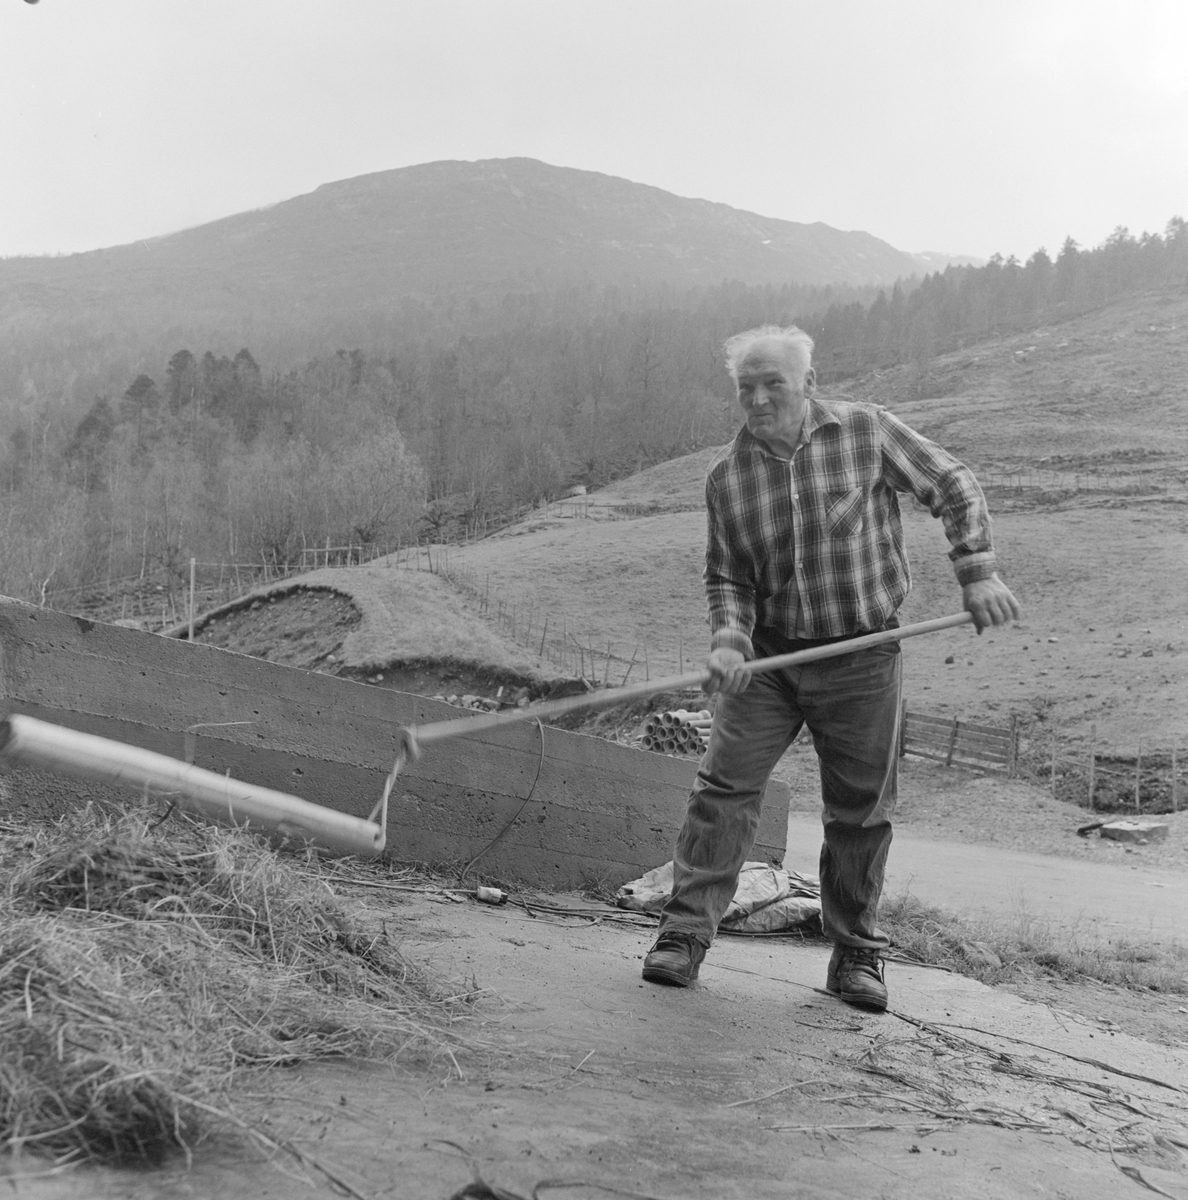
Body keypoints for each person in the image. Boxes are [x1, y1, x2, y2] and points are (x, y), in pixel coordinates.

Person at [642, 324, 1021, 1010]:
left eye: (772, 385)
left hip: (862, 654)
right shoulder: (727, 478)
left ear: (808, 384)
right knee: (722, 790)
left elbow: (952, 483)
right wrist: (730, 641)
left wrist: (977, 573)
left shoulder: (866, 432)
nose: (757, 399)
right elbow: (728, 577)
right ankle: (683, 935)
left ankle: (855, 956)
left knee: (860, 813)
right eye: (745, 388)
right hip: (772, 661)